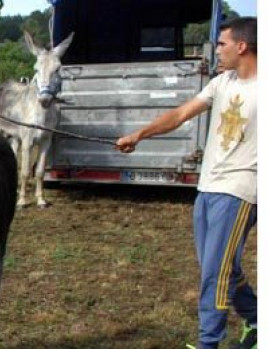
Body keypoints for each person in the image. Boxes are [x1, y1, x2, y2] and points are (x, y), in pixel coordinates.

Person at [116, 17, 257, 349]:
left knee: (214, 274)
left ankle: (209, 344)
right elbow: (180, 114)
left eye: (221, 44)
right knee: (218, 266)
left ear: (242, 46)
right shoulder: (223, 83)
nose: (215, 50)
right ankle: (257, 318)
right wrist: (139, 134)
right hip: (207, 188)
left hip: (239, 191)